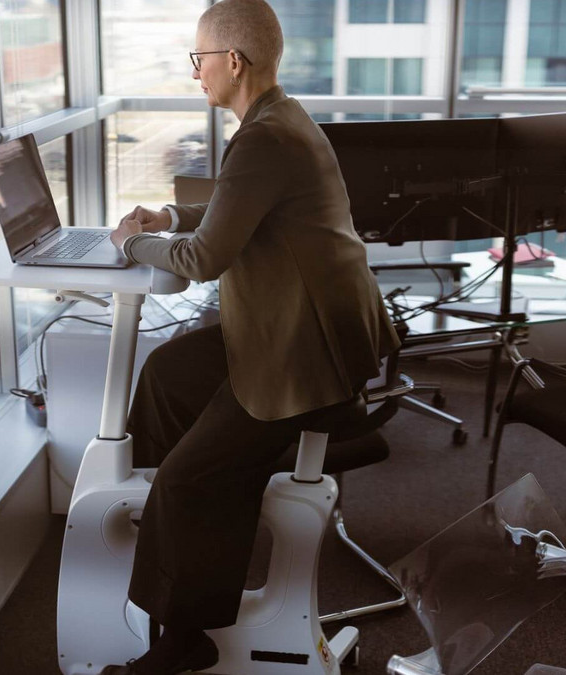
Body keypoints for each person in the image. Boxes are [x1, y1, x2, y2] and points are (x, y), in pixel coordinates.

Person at [102, 1, 400, 673]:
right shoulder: (278, 118)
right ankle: (171, 535)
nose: (196, 74)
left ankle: (186, 637)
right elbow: (237, 206)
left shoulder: (266, 135)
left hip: (308, 356)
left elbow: (203, 259)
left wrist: (133, 240)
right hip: (291, 328)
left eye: (199, 60)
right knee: (168, 374)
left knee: (190, 475)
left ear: (232, 61)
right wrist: (172, 213)